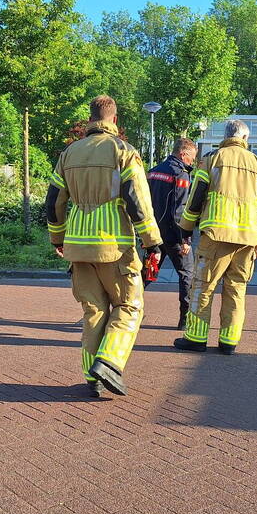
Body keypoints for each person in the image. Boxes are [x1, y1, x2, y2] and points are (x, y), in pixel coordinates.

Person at [46, 95, 162, 397]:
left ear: (90, 118)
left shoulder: (68, 154)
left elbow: (53, 203)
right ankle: (109, 363)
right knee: (129, 306)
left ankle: (91, 378)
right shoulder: (123, 151)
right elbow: (138, 200)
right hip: (115, 247)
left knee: (93, 311)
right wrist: (152, 242)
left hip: (78, 248)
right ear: (114, 119)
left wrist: (58, 238)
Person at [173, 119, 257, 355]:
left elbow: (196, 197)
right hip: (247, 239)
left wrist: (186, 229)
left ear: (225, 136)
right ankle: (229, 341)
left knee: (203, 286)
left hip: (216, 235)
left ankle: (196, 338)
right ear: (245, 139)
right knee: (236, 289)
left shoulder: (212, 159)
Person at [144, 137, 198, 330]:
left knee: (147, 273)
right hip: (174, 236)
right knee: (187, 275)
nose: (192, 162)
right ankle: (185, 320)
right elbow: (179, 210)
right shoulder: (181, 174)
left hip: (152, 234)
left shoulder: (153, 171)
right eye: (192, 158)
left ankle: (127, 309)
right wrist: (185, 238)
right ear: (183, 154)